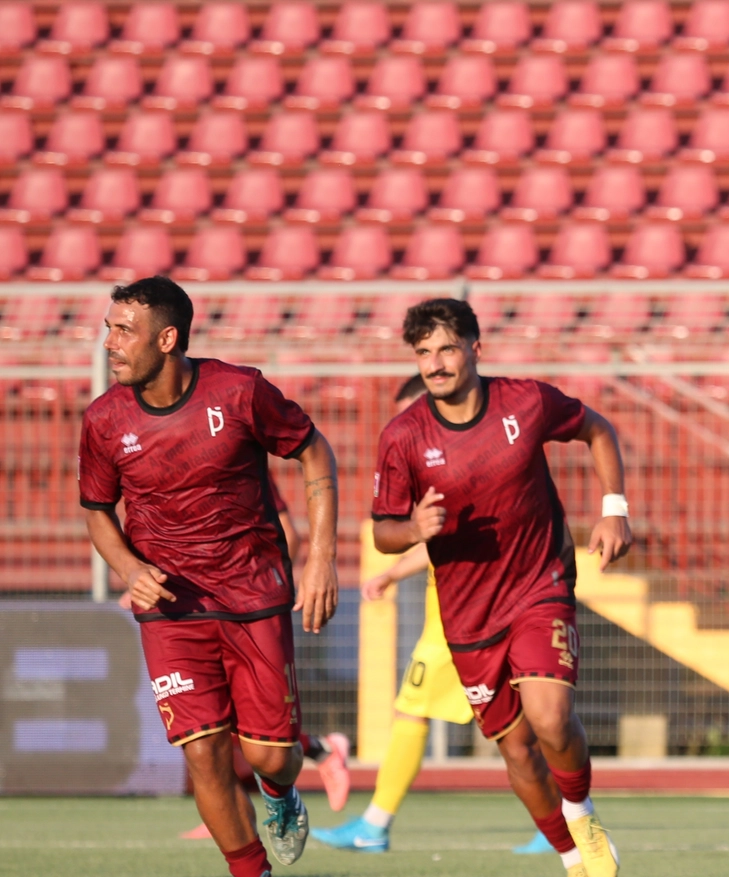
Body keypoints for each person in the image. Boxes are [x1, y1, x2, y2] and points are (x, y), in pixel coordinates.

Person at [80, 276, 340, 877]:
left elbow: (314, 451)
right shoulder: (103, 419)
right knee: (203, 756)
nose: (110, 344)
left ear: (167, 338)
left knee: (271, 757)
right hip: (170, 610)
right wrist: (129, 567)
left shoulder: (240, 390)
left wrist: (322, 556)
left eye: (124, 331)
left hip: (252, 594)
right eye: (108, 330)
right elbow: (96, 511)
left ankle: (281, 794)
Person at [370, 299, 632, 877]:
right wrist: (412, 529)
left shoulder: (526, 401)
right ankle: (570, 858)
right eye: (423, 353)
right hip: (466, 616)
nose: (435, 364)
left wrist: (614, 510)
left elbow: (597, 428)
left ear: (474, 349)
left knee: (551, 717)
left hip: (541, 582)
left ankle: (582, 815)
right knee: (515, 750)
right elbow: (382, 530)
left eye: (445, 348)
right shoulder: (403, 436)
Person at [315, 375, 550, 856]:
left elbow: (456, 538)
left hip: (463, 615)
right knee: (528, 720)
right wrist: (396, 570)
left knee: (415, 711)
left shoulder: (459, 464)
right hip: (463, 609)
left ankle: (375, 825)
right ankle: (563, 821)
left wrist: (394, 573)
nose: (410, 427)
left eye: (414, 414)